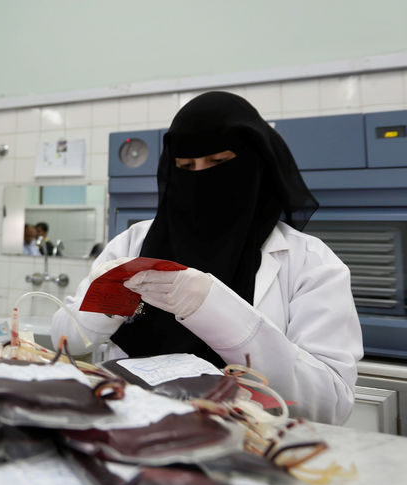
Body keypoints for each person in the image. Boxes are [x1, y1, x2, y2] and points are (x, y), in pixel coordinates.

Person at [50, 91, 362, 424]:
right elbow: (66, 341)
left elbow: (330, 404)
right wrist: (107, 302)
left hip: (247, 446)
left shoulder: (309, 262)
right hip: (129, 432)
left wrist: (216, 309)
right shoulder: (133, 243)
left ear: (255, 164)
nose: (200, 177)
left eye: (218, 163)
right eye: (186, 166)